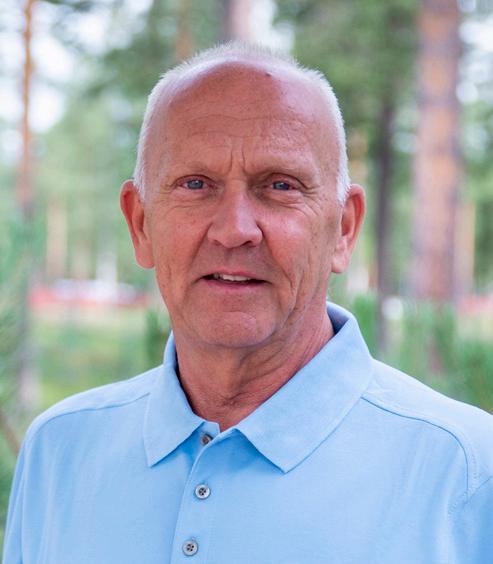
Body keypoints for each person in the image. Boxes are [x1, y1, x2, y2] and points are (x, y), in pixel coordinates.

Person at [3, 42, 493, 564]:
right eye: (196, 184)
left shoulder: (467, 474)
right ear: (140, 224)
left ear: (344, 229)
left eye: (280, 185)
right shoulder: (59, 450)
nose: (234, 229)